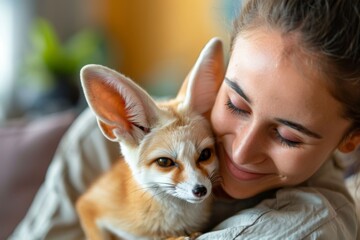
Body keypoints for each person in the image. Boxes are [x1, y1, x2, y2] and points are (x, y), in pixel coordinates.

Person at [10, 0, 360, 239]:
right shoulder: (99, 142)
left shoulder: (309, 226)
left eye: (287, 135)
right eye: (236, 104)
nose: (239, 153)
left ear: (351, 139)